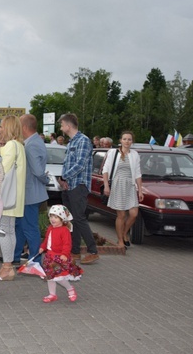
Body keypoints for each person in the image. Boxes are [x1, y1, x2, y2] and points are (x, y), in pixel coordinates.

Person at [57, 113, 99, 264]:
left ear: (68, 125)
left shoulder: (83, 141)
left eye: (62, 125)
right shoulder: (71, 142)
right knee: (71, 219)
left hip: (79, 186)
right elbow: (68, 164)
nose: (61, 128)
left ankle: (93, 250)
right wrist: (64, 180)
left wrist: (64, 177)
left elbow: (80, 164)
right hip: (70, 185)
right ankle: (75, 252)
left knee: (79, 218)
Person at [0, 116, 26, 282]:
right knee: (10, 231)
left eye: (2, 127)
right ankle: (8, 266)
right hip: (14, 196)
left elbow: (2, 170)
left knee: (4, 231)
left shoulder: (12, 145)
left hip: (6, 196)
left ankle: (7, 268)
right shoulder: (18, 145)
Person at [14, 114, 50, 263]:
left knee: (30, 228)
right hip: (29, 193)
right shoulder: (34, 141)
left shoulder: (31, 144)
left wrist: (45, 179)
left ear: (24, 127)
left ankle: (35, 260)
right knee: (21, 227)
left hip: (30, 193)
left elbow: (36, 171)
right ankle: (14, 257)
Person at [102, 131, 143, 248]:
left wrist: (140, 190)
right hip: (118, 184)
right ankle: (120, 240)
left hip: (130, 185)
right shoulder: (113, 152)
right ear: (120, 140)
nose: (127, 141)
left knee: (134, 214)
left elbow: (138, 173)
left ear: (132, 141)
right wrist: (106, 185)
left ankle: (125, 233)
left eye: (129, 139)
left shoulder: (134, 154)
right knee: (121, 215)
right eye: (124, 139)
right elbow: (105, 170)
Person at [38, 204, 83, 303]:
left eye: (56, 217)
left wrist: (65, 254)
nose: (52, 219)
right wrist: (42, 247)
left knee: (59, 277)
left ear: (62, 219)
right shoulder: (50, 228)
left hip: (60, 257)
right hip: (49, 256)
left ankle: (70, 289)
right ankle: (52, 294)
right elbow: (47, 240)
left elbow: (67, 244)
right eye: (51, 217)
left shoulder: (64, 230)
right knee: (50, 277)